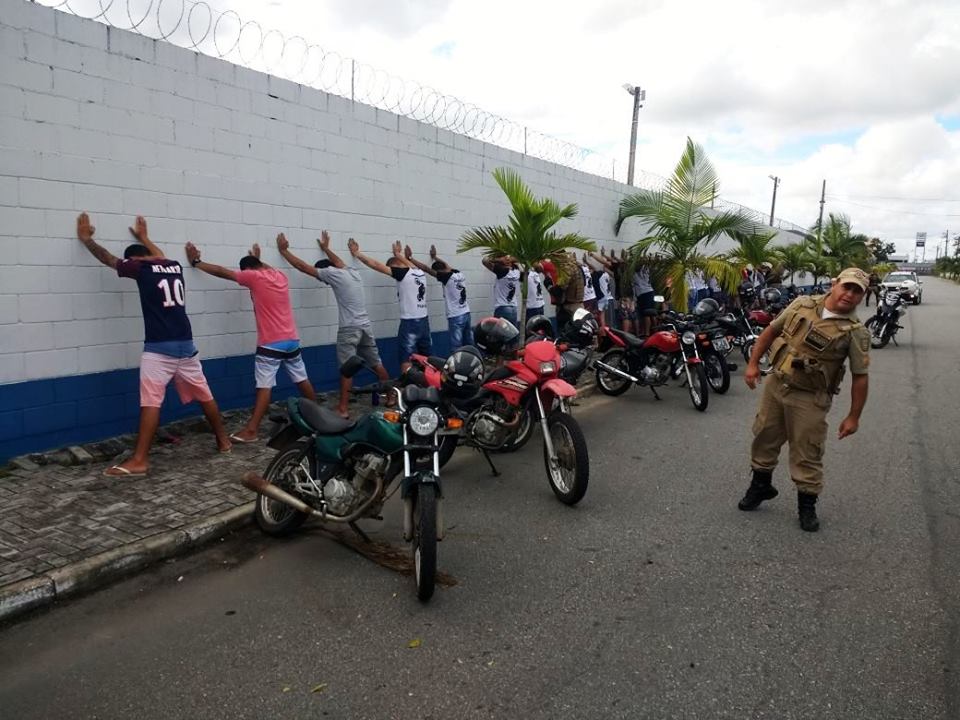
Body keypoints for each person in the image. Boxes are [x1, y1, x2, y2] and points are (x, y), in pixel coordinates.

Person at [75, 213, 231, 477]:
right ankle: (223, 442)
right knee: (205, 394)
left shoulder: (140, 269)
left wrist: (87, 239)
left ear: (134, 259)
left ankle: (139, 460)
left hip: (160, 348)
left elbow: (108, 259)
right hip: (186, 344)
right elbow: (157, 255)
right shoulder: (173, 265)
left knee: (150, 402)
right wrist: (145, 237)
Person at [738, 267, 871, 532]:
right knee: (764, 434)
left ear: (861, 297)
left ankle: (806, 506)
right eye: (846, 286)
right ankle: (761, 486)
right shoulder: (802, 304)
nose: (849, 294)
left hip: (811, 397)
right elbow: (771, 331)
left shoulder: (855, 332)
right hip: (777, 384)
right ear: (834, 284)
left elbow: (860, 377)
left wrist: (854, 416)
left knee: (807, 450)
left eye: (857, 291)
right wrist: (753, 364)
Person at [184, 240, 316, 442]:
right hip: (292, 340)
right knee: (302, 379)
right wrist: (258, 259)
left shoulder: (252, 277)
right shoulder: (280, 276)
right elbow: (264, 267)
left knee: (264, 386)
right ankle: (317, 418)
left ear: (247, 270)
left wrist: (196, 263)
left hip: (271, 343)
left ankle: (252, 430)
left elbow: (222, 271)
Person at [277, 231, 390, 418]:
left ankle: (343, 409)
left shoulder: (331, 274)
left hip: (349, 329)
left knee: (347, 368)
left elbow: (302, 267)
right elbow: (338, 261)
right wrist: (327, 248)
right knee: (376, 362)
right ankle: (392, 397)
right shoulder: (351, 272)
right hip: (365, 326)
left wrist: (284, 251)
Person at [352, 239, 431, 372]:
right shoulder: (419, 273)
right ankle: (430, 387)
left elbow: (376, 265)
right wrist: (398, 254)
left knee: (406, 359)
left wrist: (357, 253)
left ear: (395, 266)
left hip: (410, 323)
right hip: (424, 321)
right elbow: (409, 264)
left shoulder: (403, 274)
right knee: (426, 358)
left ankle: (408, 389)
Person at [405, 244, 474, 348]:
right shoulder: (458, 274)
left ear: (439, 272)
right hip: (466, 313)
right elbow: (446, 265)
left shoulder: (446, 278)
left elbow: (426, 269)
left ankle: (457, 364)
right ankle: (474, 361)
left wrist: (410, 258)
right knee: (469, 342)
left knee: (456, 346)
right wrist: (435, 257)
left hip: (455, 316)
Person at [482, 255, 521, 327]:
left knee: (500, 334)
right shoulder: (516, 270)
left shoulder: (502, 271)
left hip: (502, 308)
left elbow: (485, 260)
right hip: (513, 308)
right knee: (512, 334)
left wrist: (500, 259)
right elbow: (520, 259)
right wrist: (511, 259)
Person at [555, 252, 585, 329]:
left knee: (566, 334)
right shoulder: (579, 267)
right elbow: (584, 283)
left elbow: (560, 289)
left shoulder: (567, 269)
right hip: (580, 306)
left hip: (569, 308)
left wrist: (549, 285)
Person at [632, 263, 656, 336]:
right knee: (651, 313)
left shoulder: (641, 269)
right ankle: (654, 331)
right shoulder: (646, 268)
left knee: (647, 313)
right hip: (648, 292)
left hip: (644, 292)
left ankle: (647, 333)